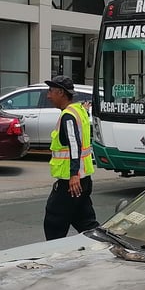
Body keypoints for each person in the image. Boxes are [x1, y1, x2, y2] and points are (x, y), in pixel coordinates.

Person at [44, 76, 99, 240]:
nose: (48, 95)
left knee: (54, 221)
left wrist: (74, 175)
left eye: (51, 91)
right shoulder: (79, 110)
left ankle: (52, 256)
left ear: (61, 93)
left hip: (71, 182)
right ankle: (102, 247)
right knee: (85, 222)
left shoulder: (68, 116)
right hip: (84, 179)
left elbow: (74, 144)